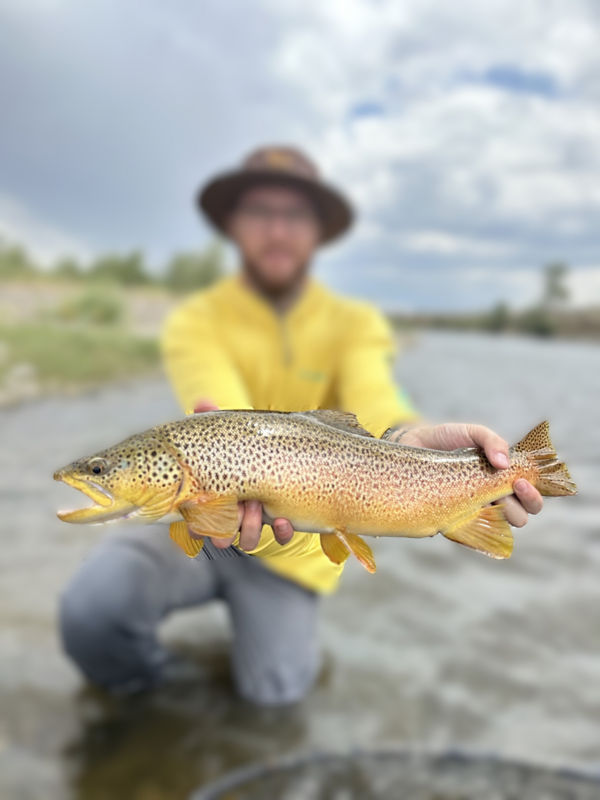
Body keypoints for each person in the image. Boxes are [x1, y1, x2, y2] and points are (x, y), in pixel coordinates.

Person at [59, 146, 543, 705]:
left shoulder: (355, 323)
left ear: (318, 230)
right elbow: (223, 417)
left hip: (298, 550)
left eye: (295, 214)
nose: (277, 229)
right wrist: (223, 486)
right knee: (93, 610)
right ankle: (154, 709)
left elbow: (380, 405)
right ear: (234, 225)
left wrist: (412, 442)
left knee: (276, 700)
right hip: (195, 526)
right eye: (260, 211)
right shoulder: (197, 320)